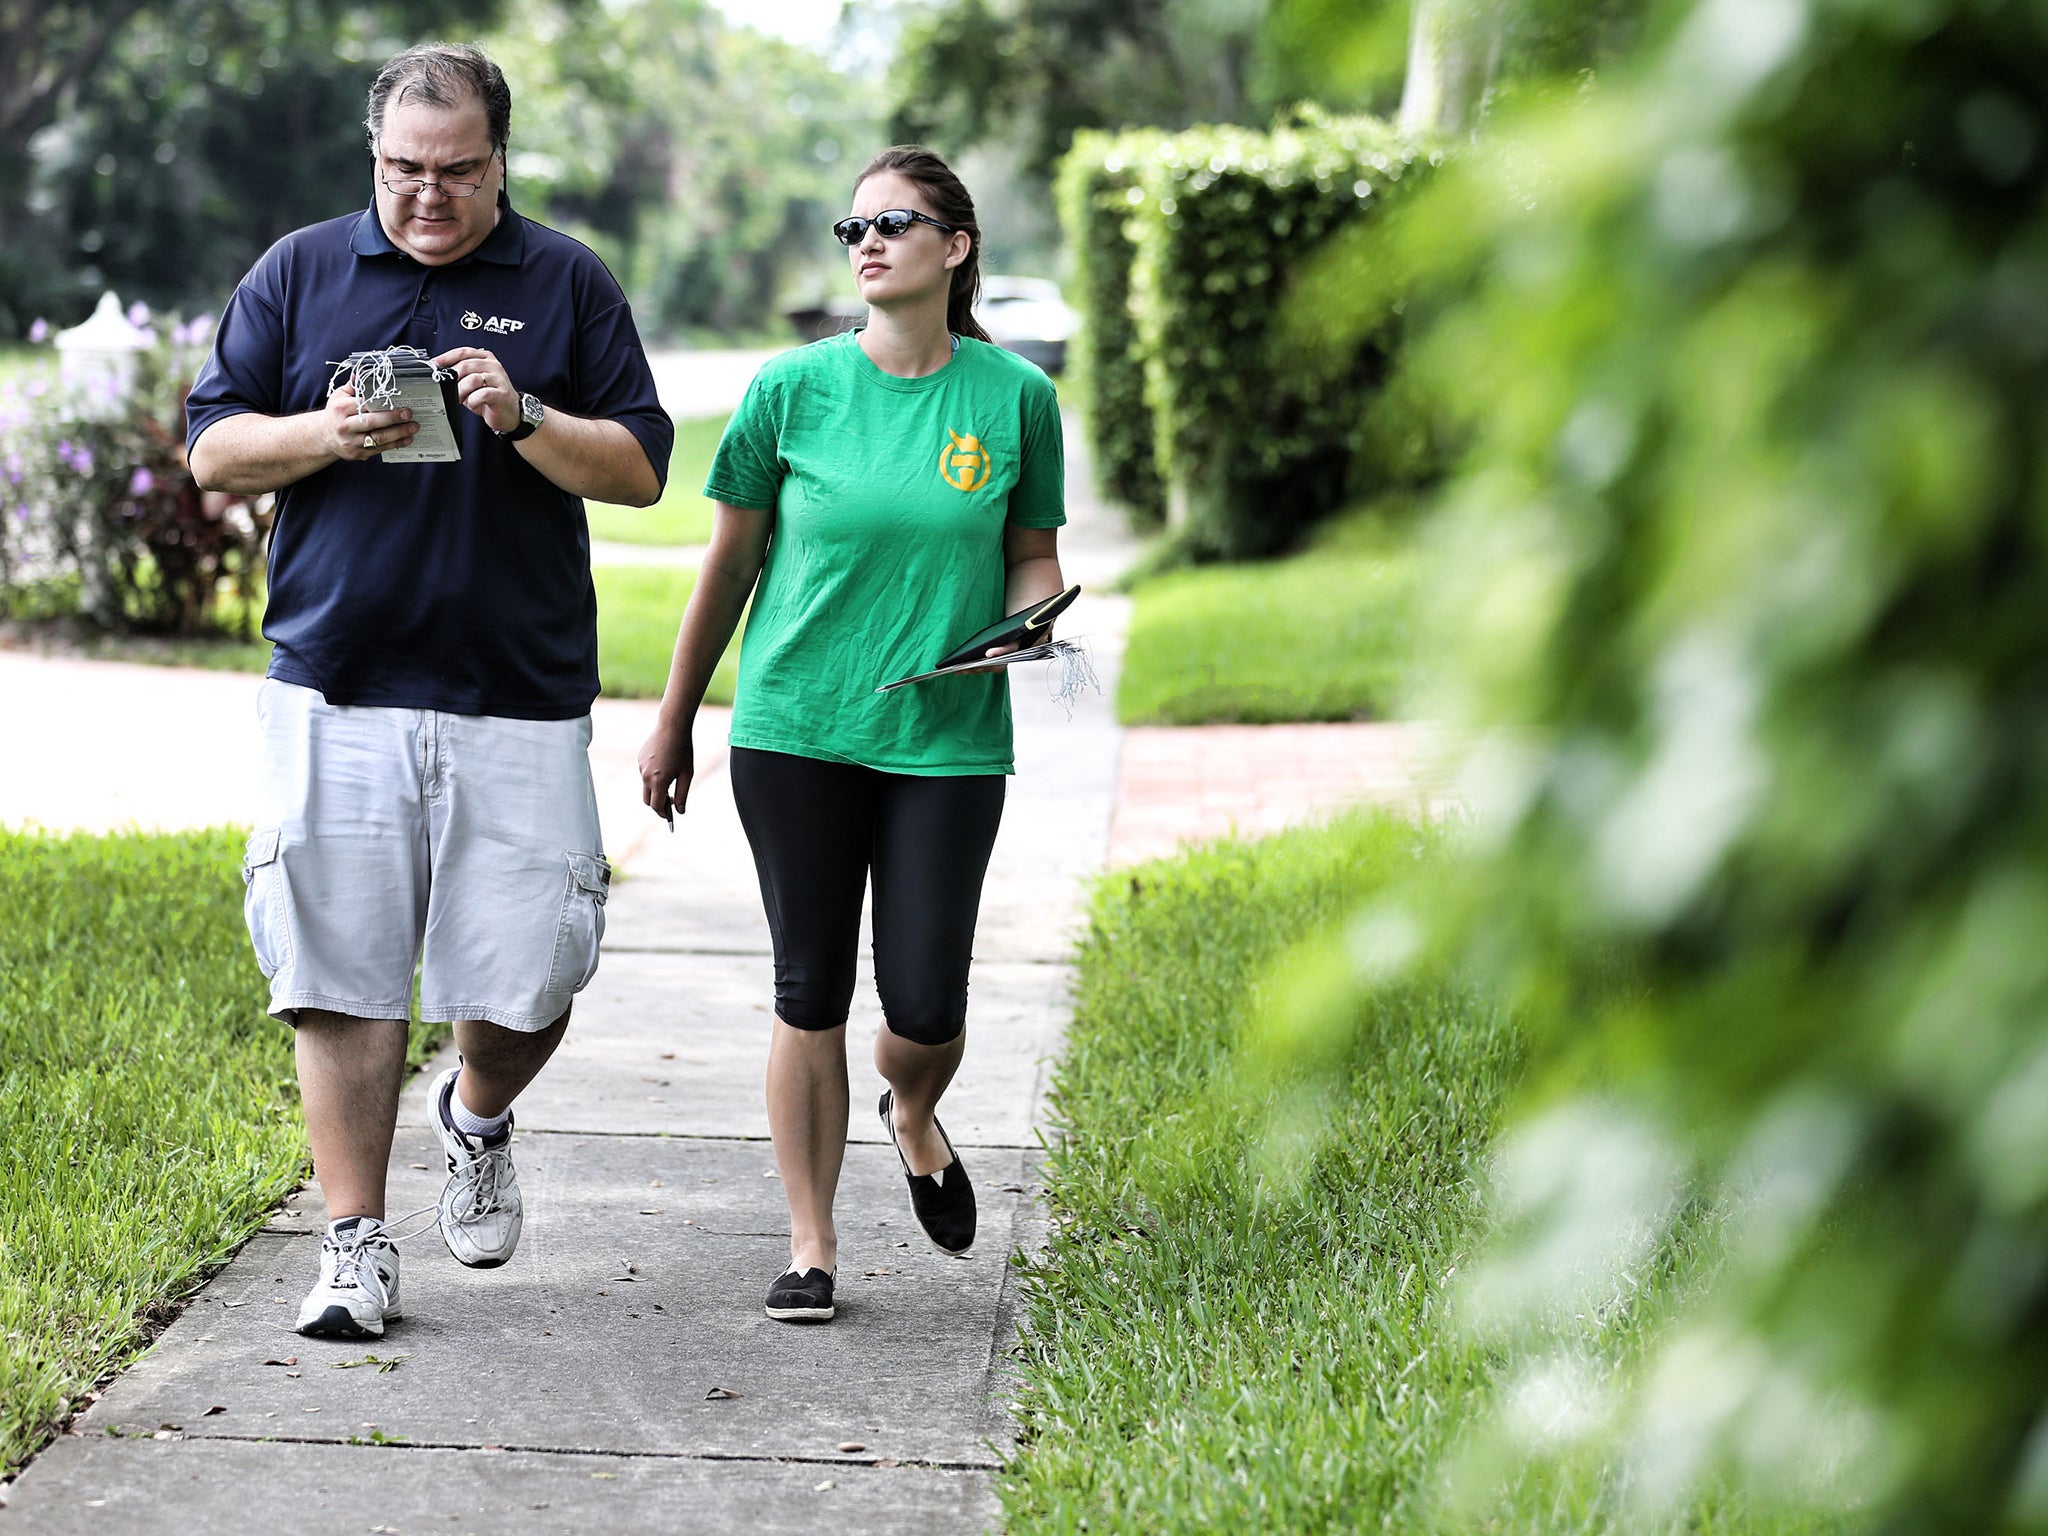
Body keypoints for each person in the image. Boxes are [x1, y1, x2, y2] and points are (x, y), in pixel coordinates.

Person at [186, 42, 673, 1340]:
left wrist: (523, 418)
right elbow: (215, 451)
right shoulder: (301, 270)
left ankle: (477, 1111)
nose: (428, 195)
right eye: (404, 169)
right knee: (337, 975)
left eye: (457, 172)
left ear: (500, 161)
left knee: (532, 980)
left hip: (515, 693)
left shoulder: (565, 279)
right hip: (335, 686)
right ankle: (352, 1246)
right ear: (375, 158)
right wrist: (322, 437)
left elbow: (636, 469)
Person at [637, 146, 1067, 1324]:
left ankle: (914, 1111)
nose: (866, 241)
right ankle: (812, 1245)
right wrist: (674, 718)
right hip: (796, 730)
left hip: (947, 735)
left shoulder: (1015, 398)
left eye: (893, 222)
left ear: (954, 246)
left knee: (924, 1006)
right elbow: (726, 564)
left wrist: (1029, 618)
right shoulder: (789, 390)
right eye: (853, 226)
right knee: (808, 990)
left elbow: (1029, 549)